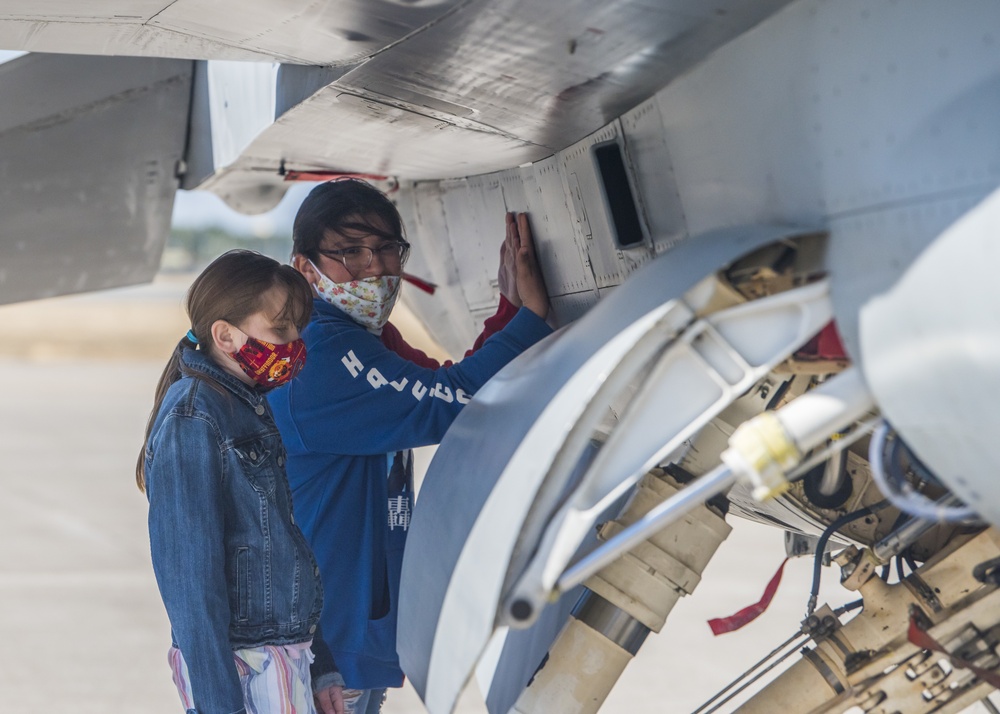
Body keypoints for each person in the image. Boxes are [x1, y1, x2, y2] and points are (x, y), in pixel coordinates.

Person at [267, 179, 552, 713]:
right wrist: (531, 322)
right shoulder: (323, 352)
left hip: (352, 633)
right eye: (350, 252)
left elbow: (442, 384)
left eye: (386, 250)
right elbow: (444, 405)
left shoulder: (362, 339)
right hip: (326, 650)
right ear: (306, 268)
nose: (373, 268)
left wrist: (510, 313)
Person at [137, 250, 346, 714]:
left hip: (284, 665)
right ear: (225, 335)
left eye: (297, 328)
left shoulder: (244, 401)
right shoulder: (193, 417)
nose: (294, 342)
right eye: (280, 328)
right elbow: (192, 590)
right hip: (245, 676)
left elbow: (283, 549)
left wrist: (319, 665)